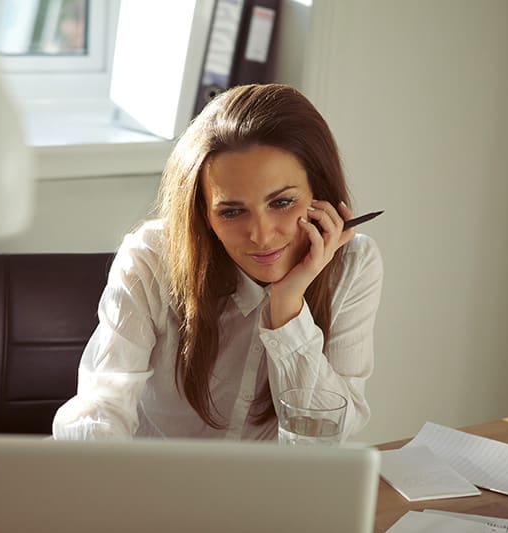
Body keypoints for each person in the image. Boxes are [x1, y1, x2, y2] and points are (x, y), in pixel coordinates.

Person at [52, 84, 383, 441]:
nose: (261, 235)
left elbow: (328, 433)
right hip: (156, 487)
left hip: (270, 492)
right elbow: (102, 407)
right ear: (203, 216)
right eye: (232, 211)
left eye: (282, 202)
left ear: (319, 196)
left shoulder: (353, 264)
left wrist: (287, 306)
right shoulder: (150, 259)